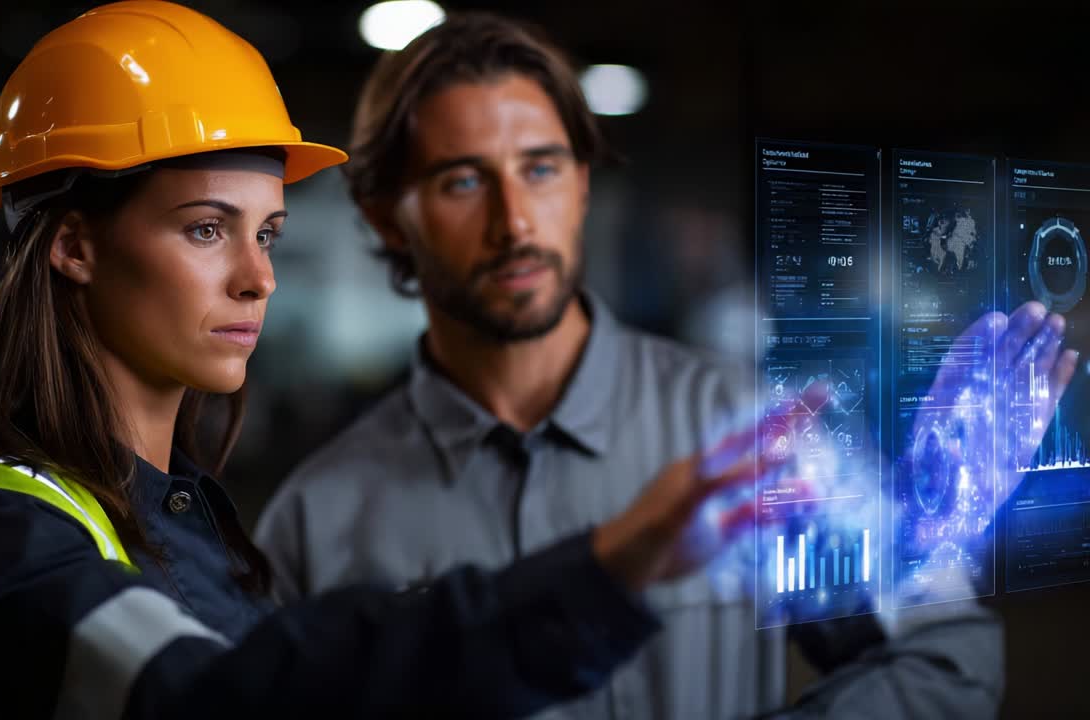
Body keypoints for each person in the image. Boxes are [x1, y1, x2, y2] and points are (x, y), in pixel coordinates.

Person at [0, 3, 793, 718]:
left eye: (266, 232)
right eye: (206, 229)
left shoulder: (183, 519)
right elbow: (219, 699)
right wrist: (600, 575)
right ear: (73, 246)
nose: (258, 278)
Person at [254, 12, 1073, 718]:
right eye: (463, 181)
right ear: (385, 216)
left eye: (541, 168)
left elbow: (943, 657)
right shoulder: (315, 523)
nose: (515, 221)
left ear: (582, 184)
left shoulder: (754, 435)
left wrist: (927, 529)